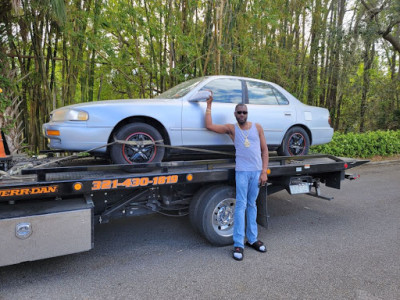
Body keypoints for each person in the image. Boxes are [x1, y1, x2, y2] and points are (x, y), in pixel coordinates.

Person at [205, 93, 269, 261]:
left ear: (247, 114)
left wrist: (264, 172)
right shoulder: (232, 129)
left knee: (252, 205)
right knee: (241, 206)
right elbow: (210, 126)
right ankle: (238, 244)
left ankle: (253, 239)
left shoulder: (257, 127)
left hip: (256, 172)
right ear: (235, 114)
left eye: (244, 112)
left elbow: (265, 151)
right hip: (242, 172)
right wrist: (209, 105)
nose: (242, 115)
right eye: (239, 112)